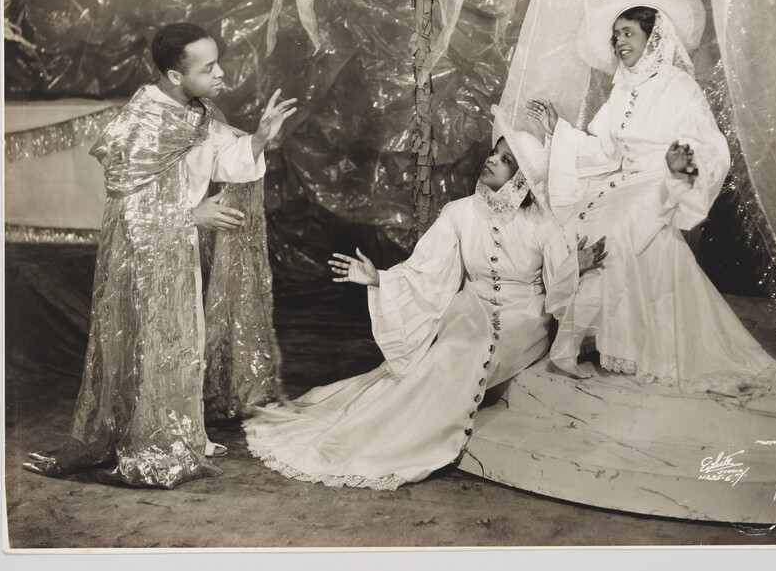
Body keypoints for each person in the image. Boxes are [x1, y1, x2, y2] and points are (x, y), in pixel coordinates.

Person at [243, 113, 605, 490]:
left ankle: (403, 438)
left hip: (523, 319)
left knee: (463, 352)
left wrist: (573, 268)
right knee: (438, 354)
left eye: (506, 160)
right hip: (472, 307)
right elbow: (425, 271)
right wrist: (378, 278)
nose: (492, 160)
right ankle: (379, 436)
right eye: (495, 153)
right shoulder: (459, 212)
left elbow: (556, 291)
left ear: (520, 180)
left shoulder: (543, 223)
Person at [23, 22, 298, 488]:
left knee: (185, 342)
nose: (221, 73)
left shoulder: (197, 111)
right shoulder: (142, 121)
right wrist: (190, 214)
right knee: (152, 346)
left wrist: (258, 138)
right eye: (209, 67)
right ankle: (153, 440)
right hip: (144, 259)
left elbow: (220, 160)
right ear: (174, 75)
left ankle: (180, 431)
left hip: (179, 251)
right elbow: (127, 202)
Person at [527, 0, 776, 397]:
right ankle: (589, 340)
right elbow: (603, 148)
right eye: (615, 35)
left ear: (654, 38)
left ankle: (585, 346)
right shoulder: (621, 90)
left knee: (616, 229)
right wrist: (556, 129)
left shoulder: (679, 86)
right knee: (575, 226)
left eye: (628, 32)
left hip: (661, 184)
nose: (618, 42)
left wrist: (676, 175)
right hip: (622, 181)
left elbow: (707, 148)